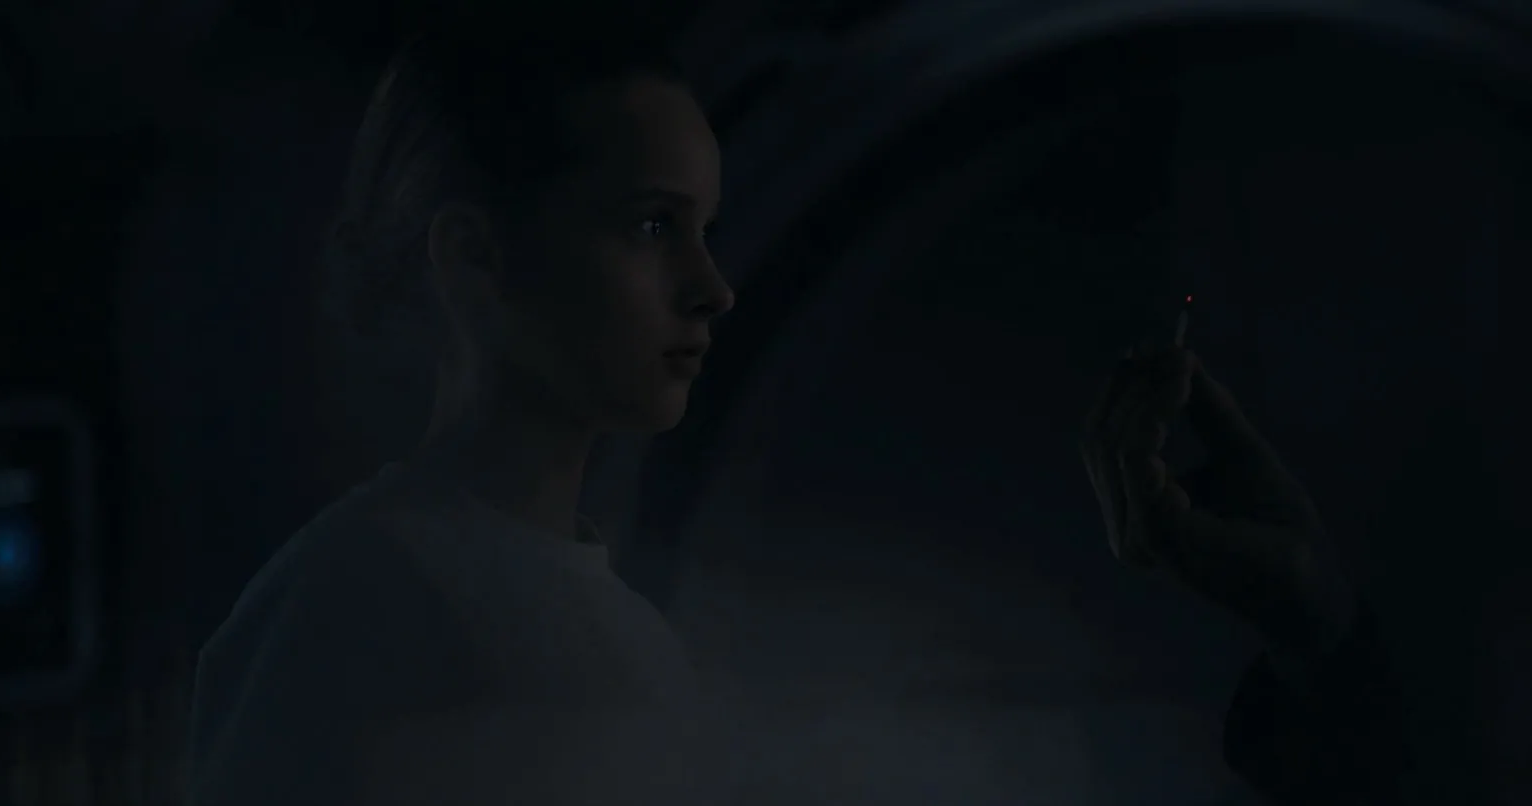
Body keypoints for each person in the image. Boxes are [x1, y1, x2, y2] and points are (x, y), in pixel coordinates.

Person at [187, 24, 1408, 806]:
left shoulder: (591, 610)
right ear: (471, 257)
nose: (711, 287)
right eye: (651, 225)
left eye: (706, 231)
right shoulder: (356, 600)